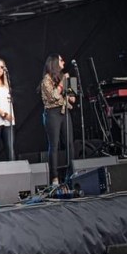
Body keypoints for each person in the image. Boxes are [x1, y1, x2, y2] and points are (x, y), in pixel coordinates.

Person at [40, 53, 76, 185]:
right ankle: (54, 177)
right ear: (55, 63)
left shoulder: (61, 77)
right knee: (54, 145)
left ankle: (71, 174)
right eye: (61, 60)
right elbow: (54, 96)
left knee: (69, 143)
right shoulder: (46, 80)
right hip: (52, 113)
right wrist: (62, 83)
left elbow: (71, 98)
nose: (64, 62)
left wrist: (71, 91)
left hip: (64, 111)